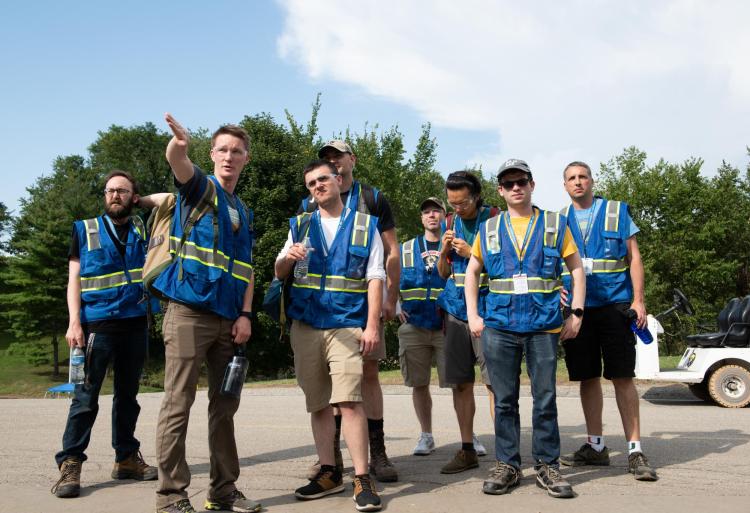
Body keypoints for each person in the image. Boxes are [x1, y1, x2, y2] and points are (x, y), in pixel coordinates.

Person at [152, 114, 260, 513]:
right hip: (188, 312)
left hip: (229, 320)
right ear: (212, 154)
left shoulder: (243, 210)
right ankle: (171, 496)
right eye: (223, 150)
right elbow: (178, 165)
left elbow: (246, 268)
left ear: (246, 159)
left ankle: (223, 491)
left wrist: (245, 314)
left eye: (237, 151)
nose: (229, 156)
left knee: (224, 407)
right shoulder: (200, 189)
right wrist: (179, 145)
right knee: (178, 403)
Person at [466, 159, 585, 498]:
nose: (515, 188)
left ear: (532, 185)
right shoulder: (488, 228)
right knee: (504, 400)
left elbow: (576, 269)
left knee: (544, 398)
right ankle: (508, 465)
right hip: (499, 326)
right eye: (508, 184)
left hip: (543, 326)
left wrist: (576, 313)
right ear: (500, 190)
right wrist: (474, 315)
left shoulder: (553, 223)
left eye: (521, 181)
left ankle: (548, 466)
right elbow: (473, 271)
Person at [276, 159, 384, 512]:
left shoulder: (366, 225)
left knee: (349, 402)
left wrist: (371, 326)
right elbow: (279, 272)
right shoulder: (300, 226)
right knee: (318, 403)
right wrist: (287, 259)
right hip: (306, 323)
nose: (318, 186)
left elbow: (375, 278)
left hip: (346, 324)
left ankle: (361, 477)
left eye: (323, 179)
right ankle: (328, 472)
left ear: (339, 180)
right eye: (311, 183)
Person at [52, 170, 161, 499]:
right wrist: (74, 323)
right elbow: (74, 280)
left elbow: (168, 203)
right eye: (110, 190)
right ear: (104, 196)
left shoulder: (143, 226)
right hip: (97, 325)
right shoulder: (85, 229)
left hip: (135, 324)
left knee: (128, 398)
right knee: (85, 399)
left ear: (133, 197)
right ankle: (70, 463)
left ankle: (126, 458)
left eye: (123, 191)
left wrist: (143, 201)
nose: (115, 195)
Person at [301, 140, 399, 483]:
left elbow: (392, 252)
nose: (333, 164)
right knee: (331, 386)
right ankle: (332, 458)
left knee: (367, 377)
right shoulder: (310, 203)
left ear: (351, 160)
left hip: (364, 309)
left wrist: (390, 298)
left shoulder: (372, 198)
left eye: (338, 157)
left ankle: (378, 453)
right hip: (322, 315)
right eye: (327, 159)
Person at [558, 161, 658, 481]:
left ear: (591, 180)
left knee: (621, 376)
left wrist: (639, 300)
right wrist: (556, 289)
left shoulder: (615, 211)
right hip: (579, 310)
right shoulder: (559, 220)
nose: (578, 182)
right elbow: (550, 261)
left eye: (582, 177)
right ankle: (596, 446)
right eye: (571, 178)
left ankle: (634, 450)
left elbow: (635, 258)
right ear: (565, 185)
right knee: (587, 378)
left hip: (615, 305)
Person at [435, 171, 498, 473]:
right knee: (461, 384)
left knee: (495, 384)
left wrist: (472, 252)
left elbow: (509, 264)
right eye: (452, 203)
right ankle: (467, 449)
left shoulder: (496, 219)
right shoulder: (449, 222)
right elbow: (443, 274)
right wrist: (445, 251)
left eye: (462, 203)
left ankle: (505, 453)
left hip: (489, 311)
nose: (457, 209)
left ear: (476, 196)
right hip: (456, 311)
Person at [397, 197, 449, 455]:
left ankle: (467, 435)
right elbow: (386, 277)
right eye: (426, 212)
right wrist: (395, 307)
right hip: (414, 325)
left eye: (436, 211)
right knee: (419, 384)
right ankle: (426, 435)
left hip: (447, 325)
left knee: (459, 383)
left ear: (444, 215)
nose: (431, 215)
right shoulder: (406, 248)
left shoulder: (454, 244)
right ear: (421, 218)